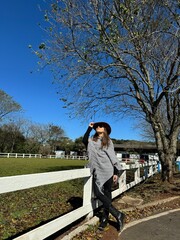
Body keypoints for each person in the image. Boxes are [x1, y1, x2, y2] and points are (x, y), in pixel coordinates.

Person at [82, 122, 125, 231]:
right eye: (96, 126)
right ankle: (118, 214)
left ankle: (105, 219)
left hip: (108, 170)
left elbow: (113, 157)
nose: (97, 127)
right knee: (98, 194)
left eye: (100, 126)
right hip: (97, 170)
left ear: (105, 129)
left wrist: (116, 172)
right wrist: (89, 128)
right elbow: (84, 140)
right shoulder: (92, 140)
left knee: (107, 195)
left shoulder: (109, 142)